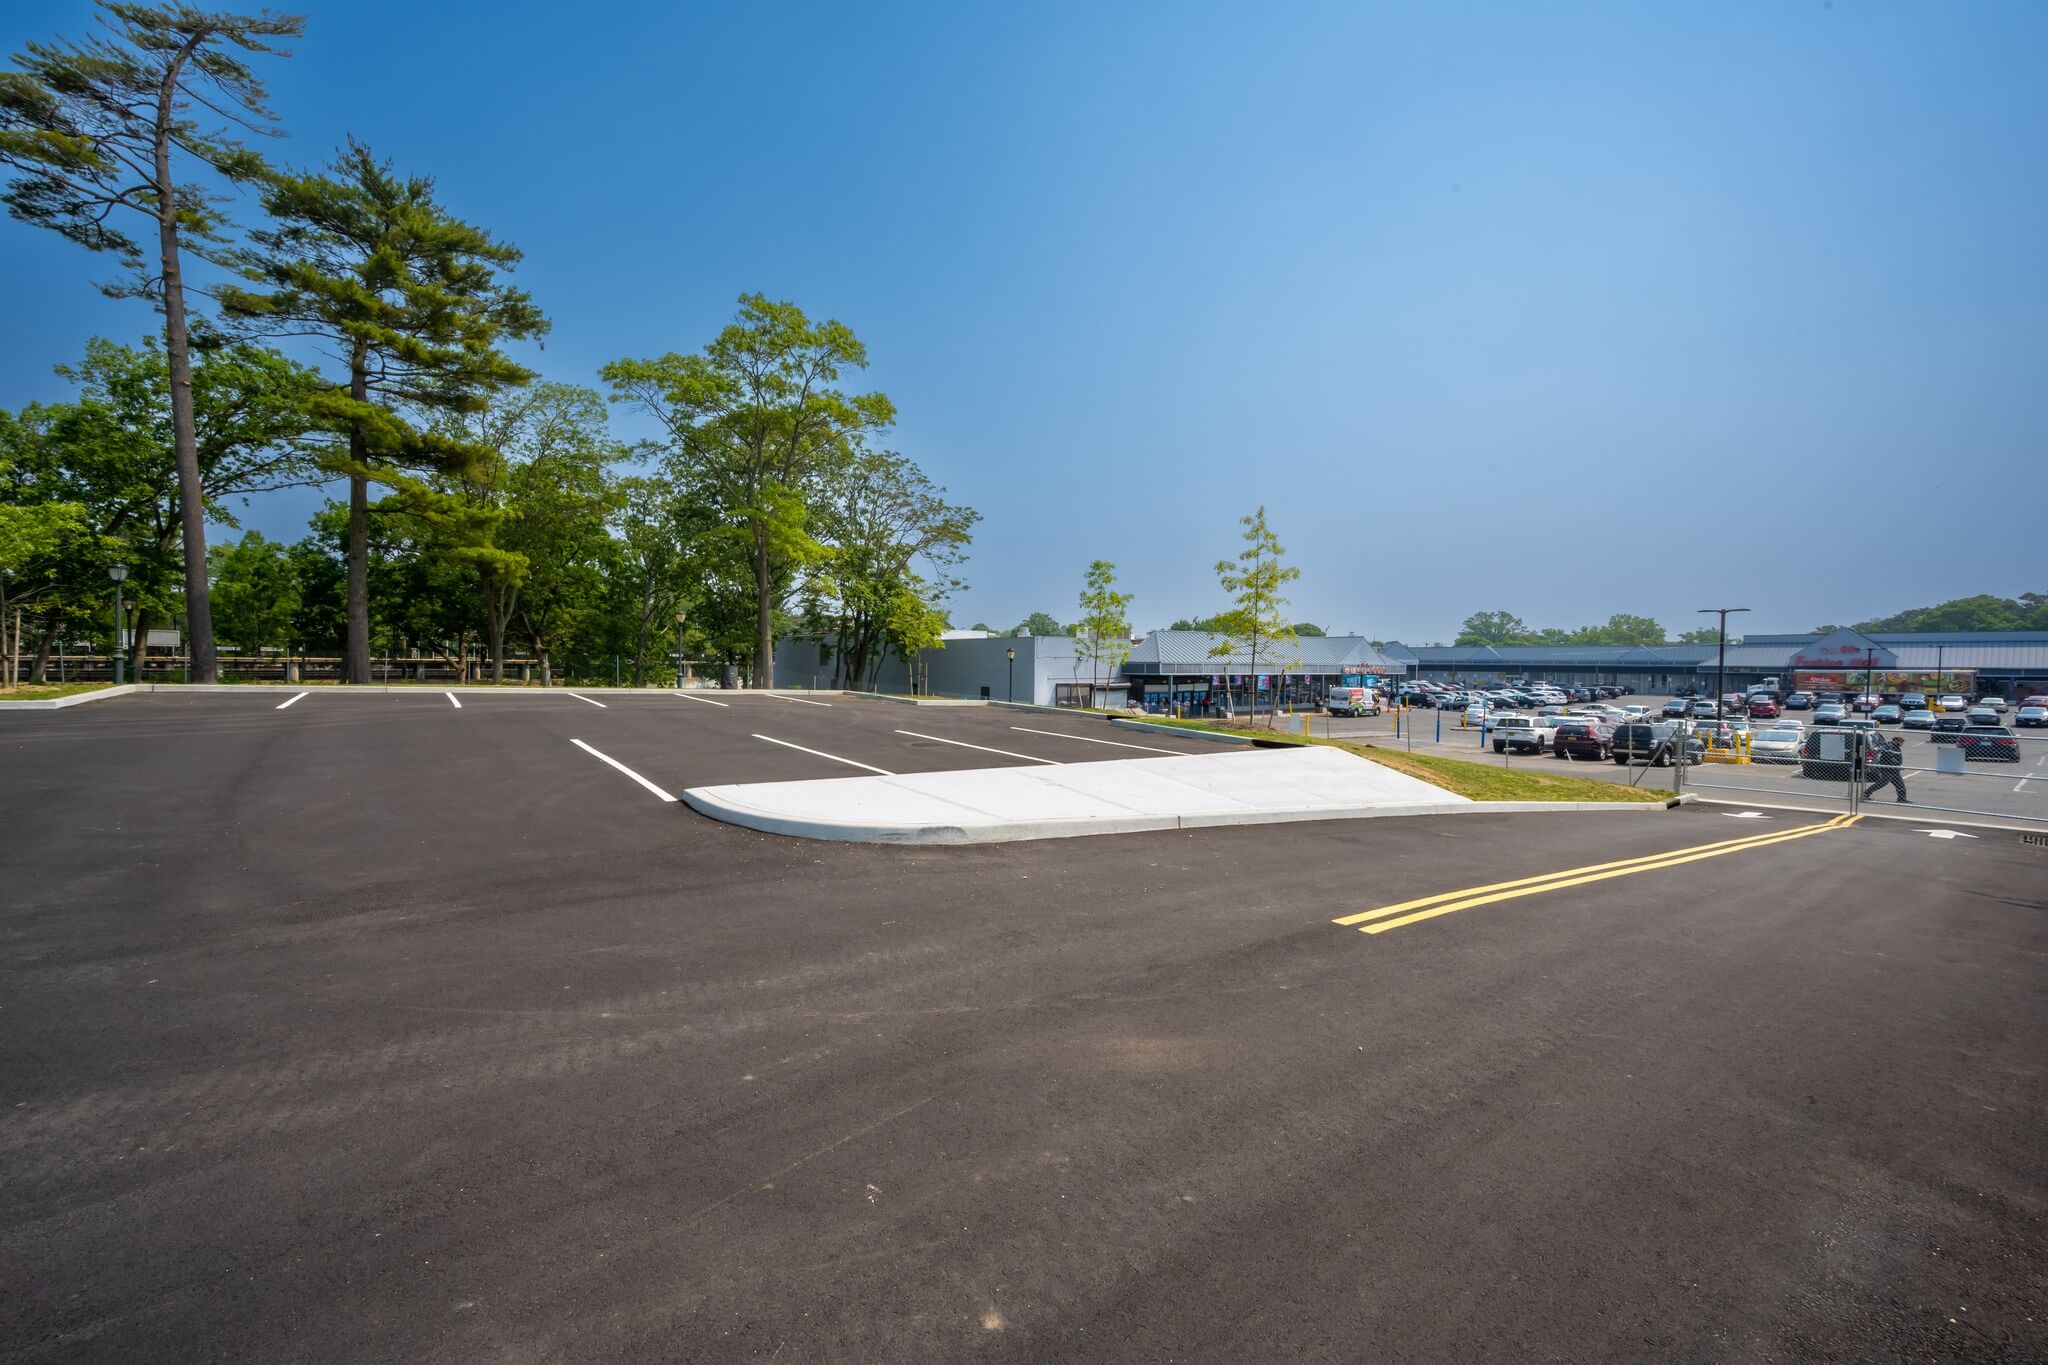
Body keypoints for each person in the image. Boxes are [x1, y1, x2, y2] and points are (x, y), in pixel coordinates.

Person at [1863, 733, 1910, 803]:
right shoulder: (1889, 747)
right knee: (1881, 784)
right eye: (1901, 741)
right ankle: (1865, 794)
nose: (1902, 743)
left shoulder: (1896, 748)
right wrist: (1898, 765)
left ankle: (1901, 799)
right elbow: (1889, 758)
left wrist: (1898, 766)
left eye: (1902, 742)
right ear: (1895, 741)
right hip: (1887, 770)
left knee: (1900, 784)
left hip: (1894, 770)